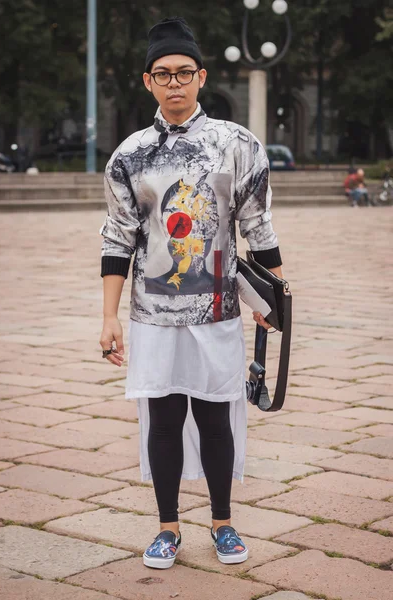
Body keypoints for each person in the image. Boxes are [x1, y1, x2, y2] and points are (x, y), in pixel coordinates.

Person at [99, 16, 283, 570]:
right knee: (162, 418)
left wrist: (276, 305)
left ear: (201, 77)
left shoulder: (236, 144)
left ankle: (223, 523)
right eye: (163, 74)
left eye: (184, 72)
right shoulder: (129, 156)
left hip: (219, 310)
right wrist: (108, 317)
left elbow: (260, 228)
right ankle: (167, 527)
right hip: (152, 314)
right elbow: (117, 240)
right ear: (147, 81)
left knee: (215, 418)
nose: (174, 82)